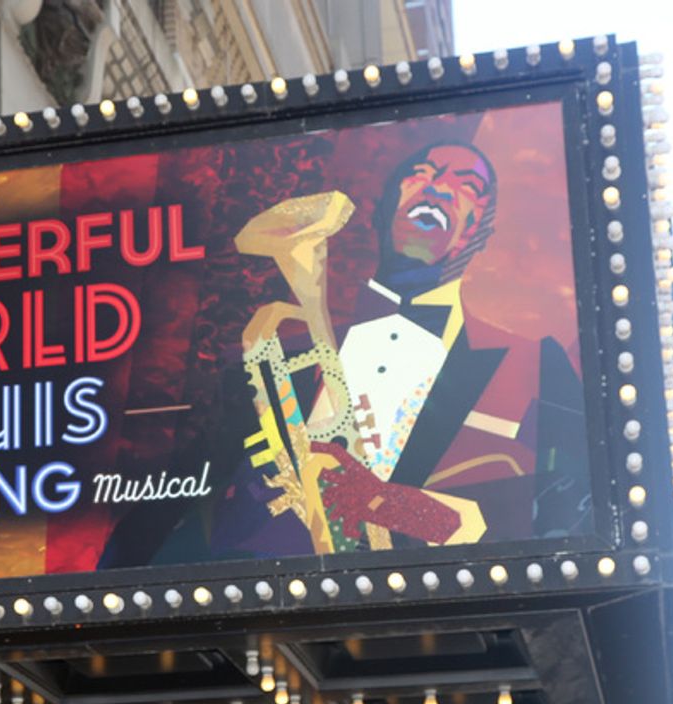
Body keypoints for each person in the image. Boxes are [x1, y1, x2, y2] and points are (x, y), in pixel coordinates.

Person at [235, 141, 591, 553]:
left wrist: (393, 505)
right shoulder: (285, 361)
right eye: (423, 172)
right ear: (381, 208)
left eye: (468, 186)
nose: (439, 188)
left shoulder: (533, 365)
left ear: (479, 236)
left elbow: (581, 504)